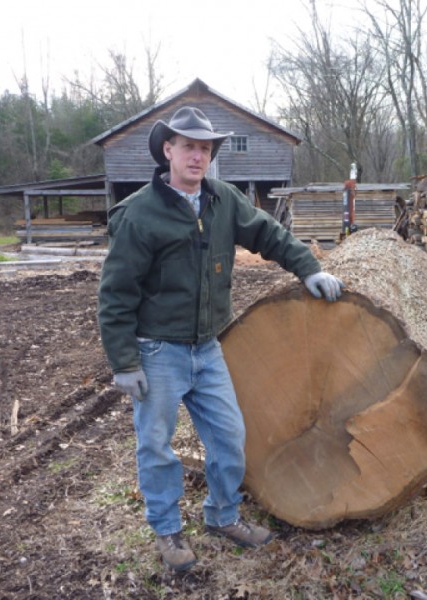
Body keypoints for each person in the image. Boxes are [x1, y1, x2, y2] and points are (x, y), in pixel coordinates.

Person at [97, 106, 344, 572]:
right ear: (167, 150)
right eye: (188, 146)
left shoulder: (223, 200)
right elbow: (115, 295)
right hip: (157, 352)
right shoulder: (138, 216)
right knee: (156, 445)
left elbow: (269, 234)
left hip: (209, 348)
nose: (197, 156)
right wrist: (124, 362)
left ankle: (223, 516)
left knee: (230, 438)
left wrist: (310, 269)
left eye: (205, 148)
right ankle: (168, 532)